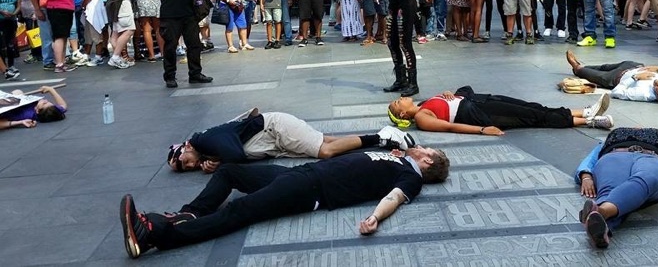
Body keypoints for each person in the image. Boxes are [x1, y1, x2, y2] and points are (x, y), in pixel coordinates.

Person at [119, 145, 450, 258]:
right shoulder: (398, 158)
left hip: (311, 190)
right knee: (231, 172)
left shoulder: (412, 178)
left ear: (427, 164)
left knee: (240, 211)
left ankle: (155, 236)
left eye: (427, 152)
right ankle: (189, 215)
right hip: (303, 173)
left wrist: (376, 218)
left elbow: (394, 197)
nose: (421, 148)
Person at [167, 107, 417, 173]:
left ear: (186, 147)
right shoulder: (205, 147)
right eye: (183, 169)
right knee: (329, 143)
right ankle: (380, 139)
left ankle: (382, 136)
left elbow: (235, 155)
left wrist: (214, 164)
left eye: (183, 161)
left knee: (325, 151)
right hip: (275, 137)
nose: (187, 165)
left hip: (275, 129)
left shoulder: (205, 141)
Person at [575, 127, 658, 249]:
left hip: (653, 158)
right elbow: (592, 156)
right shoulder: (610, 138)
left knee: (645, 179)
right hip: (614, 155)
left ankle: (602, 211)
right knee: (609, 189)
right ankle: (601, 225)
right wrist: (585, 176)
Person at [387, 85, 613, 133]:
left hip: (480, 101)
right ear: (404, 115)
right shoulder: (423, 118)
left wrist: (448, 93)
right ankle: (591, 121)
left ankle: (584, 112)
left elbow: (449, 104)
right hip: (481, 114)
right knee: (534, 117)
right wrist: (484, 130)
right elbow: (450, 126)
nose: (402, 98)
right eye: (398, 103)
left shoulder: (426, 104)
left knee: (533, 108)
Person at [566, 50, 658, 104]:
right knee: (603, 66)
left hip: (615, 77)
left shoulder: (644, 94)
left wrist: (635, 78)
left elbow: (616, 93)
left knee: (587, 72)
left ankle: (577, 67)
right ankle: (583, 67)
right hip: (633, 65)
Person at [44, 0, 79, 73]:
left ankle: (62, 62)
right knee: (59, 36)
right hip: (57, 10)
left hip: (67, 9)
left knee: (64, 37)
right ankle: (59, 64)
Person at [0, 86, 68, 130]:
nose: (46, 100)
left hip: (4, 110)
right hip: (11, 103)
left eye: (44, 103)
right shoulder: (52, 111)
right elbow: (63, 105)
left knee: (17, 93)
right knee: (18, 92)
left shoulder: (24, 114)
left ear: (37, 110)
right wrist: (51, 90)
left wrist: (19, 122)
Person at [0, 0, 20, 79]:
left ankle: (11, 65)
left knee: (10, 44)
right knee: (1, 44)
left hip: (11, 20)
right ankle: (4, 67)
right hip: (1, 20)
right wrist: (2, 12)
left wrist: (14, 13)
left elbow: (18, 6)